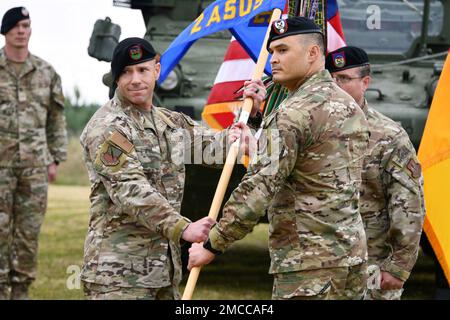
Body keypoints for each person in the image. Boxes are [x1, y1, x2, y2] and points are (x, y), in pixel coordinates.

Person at [188, 17, 370, 300]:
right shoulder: (347, 104)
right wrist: (260, 117)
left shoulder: (293, 113)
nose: (273, 59)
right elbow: (313, 168)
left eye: (283, 50)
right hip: (349, 256)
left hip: (308, 263)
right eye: (272, 51)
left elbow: (258, 188)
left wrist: (211, 245)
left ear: (312, 53)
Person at [79, 37, 264, 300]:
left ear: (156, 70)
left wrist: (252, 114)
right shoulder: (109, 127)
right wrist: (183, 228)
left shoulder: (170, 122)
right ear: (116, 79)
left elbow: (219, 147)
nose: (135, 79)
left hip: (164, 271)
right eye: (126, 72)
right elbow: (130, 189)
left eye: (142, 70)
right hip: (120, 276)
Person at [325, 46, 426, 300]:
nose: (337, 86)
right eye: (332, 79)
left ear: (366, 82)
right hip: (318, 267)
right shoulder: (308, 129)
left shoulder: (389, 136)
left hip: (370, 267)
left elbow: (408, 206)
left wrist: (398, 267)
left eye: (345, 79)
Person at [0, 7, 67, 300]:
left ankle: (20, 291)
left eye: (25, 25)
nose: (21, 30)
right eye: (15, 26)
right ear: (5, 32)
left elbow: (56, 119)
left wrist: (56, 158)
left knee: (27, 234)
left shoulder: (46, 72)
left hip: (35, 167)